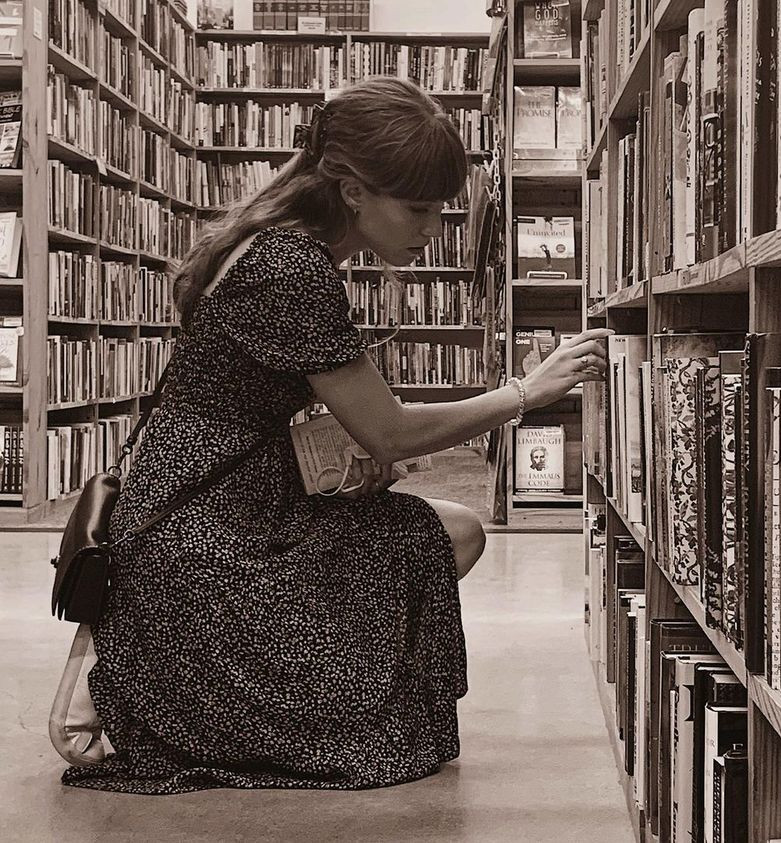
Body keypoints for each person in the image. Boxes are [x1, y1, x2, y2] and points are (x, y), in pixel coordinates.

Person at [61, 77, 609, 795]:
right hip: (200, 536)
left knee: (439, 535)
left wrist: (344, 457)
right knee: (441, 539)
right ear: (352, 191)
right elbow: (389, 432)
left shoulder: (275, 246)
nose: (432, 228)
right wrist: (525, 393)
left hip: (206, 507)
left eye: (440, 207)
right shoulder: (292, 268)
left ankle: (178, 677)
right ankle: (161, 678)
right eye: (417, 208)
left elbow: (269, 413)